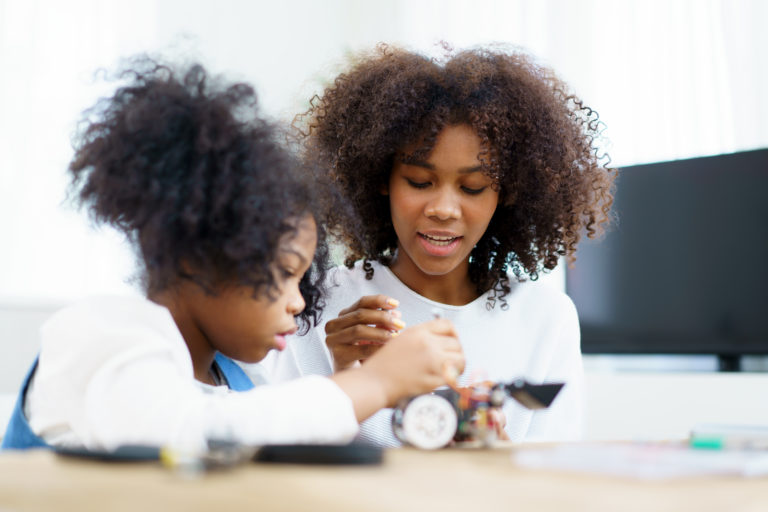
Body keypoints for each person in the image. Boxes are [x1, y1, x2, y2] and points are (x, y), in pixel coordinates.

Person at [1, 57, 465, 452]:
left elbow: (273, 443)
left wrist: (386, 396)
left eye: (301, 277)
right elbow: (193, 435)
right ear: (195, 257)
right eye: (284, 272)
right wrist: (374, 383)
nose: (298, 300)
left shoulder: (238, 383)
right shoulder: (99, 335)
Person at [259, 45, 616, 446]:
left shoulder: (545, 318)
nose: (444, 209)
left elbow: (556, 483)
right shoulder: (316, 304)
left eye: (473, 187)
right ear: (382, 177)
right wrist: (347, 382)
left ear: (509, 192)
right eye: (419, 181)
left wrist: (498, 457)